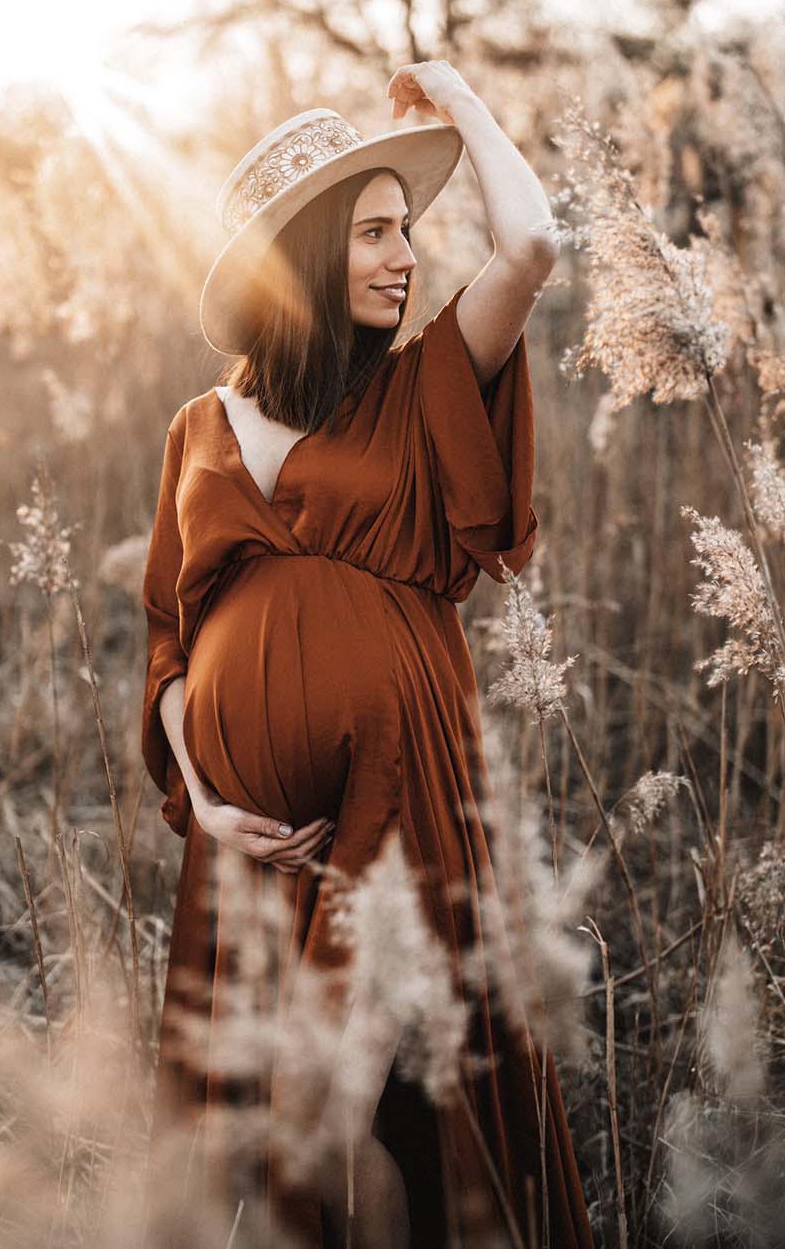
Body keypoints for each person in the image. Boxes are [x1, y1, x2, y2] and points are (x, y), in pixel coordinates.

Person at [141, 61, 595, 1249]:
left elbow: (535, 244)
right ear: (298, 255)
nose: (408, 255)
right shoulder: (197, 429)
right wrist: (202, 799)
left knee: (377, 1087)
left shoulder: (424, 385)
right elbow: (171, 649)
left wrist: (457, 94)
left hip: (406, 793)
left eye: (412, 229)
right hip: (254, 846)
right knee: (265, 1121)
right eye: (377, 231)